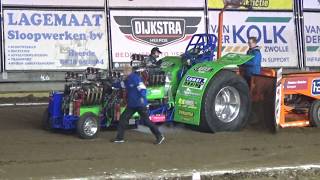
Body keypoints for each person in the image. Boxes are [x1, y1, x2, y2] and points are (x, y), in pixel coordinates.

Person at [112, 65, 165, 144]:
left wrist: (142, 98)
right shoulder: (127, 80)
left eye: (124, 71)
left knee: (146, 121)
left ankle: (159, 136)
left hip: (140, 104)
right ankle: (120, 138)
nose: (123, 73)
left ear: (128, 71)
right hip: (132, 105)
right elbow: (120, 84)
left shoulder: (135, 78)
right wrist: (111, 84)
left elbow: (143, 89)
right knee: (123, 118)